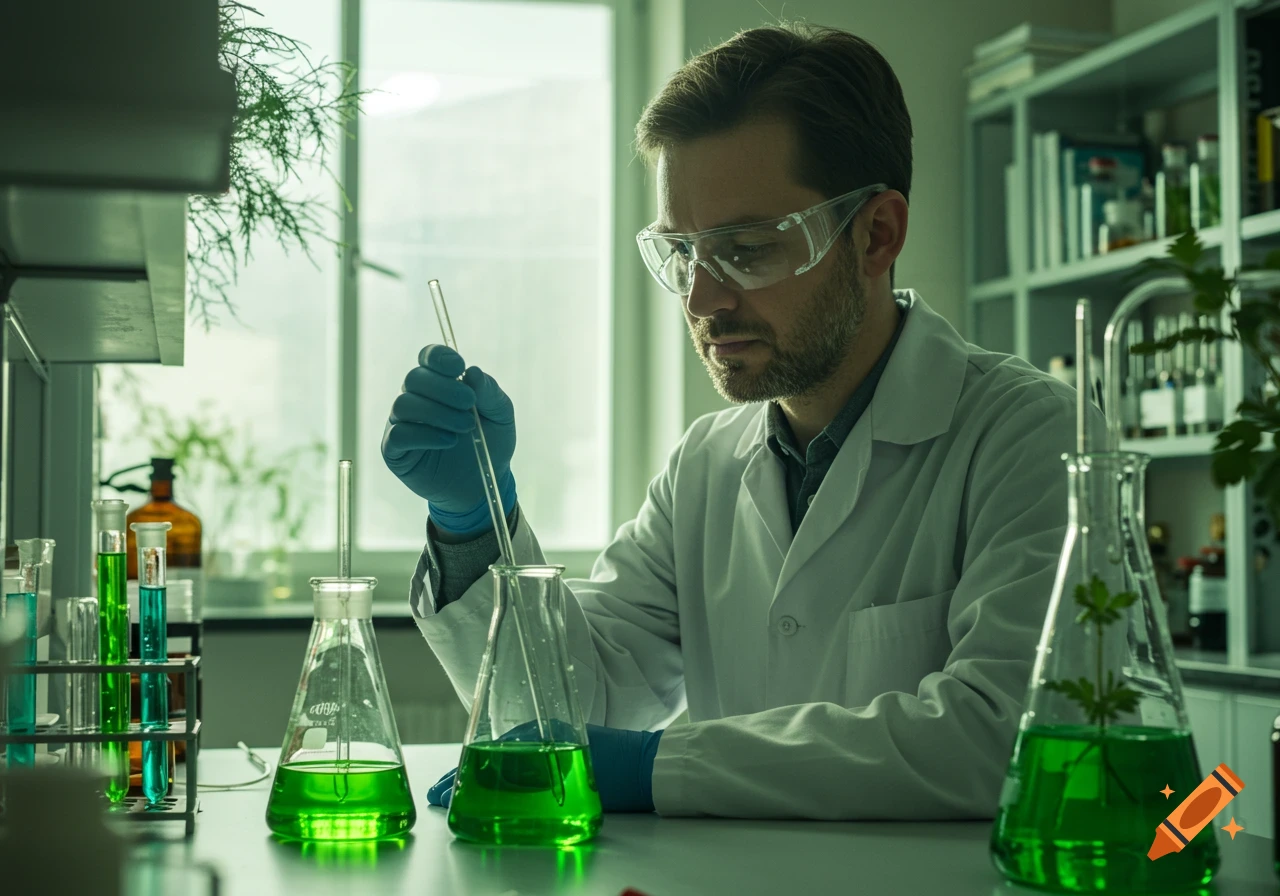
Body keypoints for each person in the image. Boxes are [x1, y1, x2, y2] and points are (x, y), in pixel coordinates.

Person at [382, 23, 1089, 820]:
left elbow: (1005, 740)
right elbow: (577, 702)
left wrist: (652, 768)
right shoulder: (707, 464)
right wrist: (474, 521)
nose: (702, 301)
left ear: (877, 235)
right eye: (683, 254)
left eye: (747, 249)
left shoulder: (1031, 437)